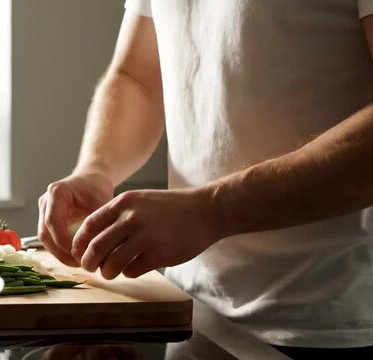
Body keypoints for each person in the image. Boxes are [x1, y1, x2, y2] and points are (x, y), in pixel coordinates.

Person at [37, 0, 373, 357]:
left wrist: (209, 211)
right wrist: (96, 171)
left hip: (328, 324)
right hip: (192, 312)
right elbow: (138, 76)